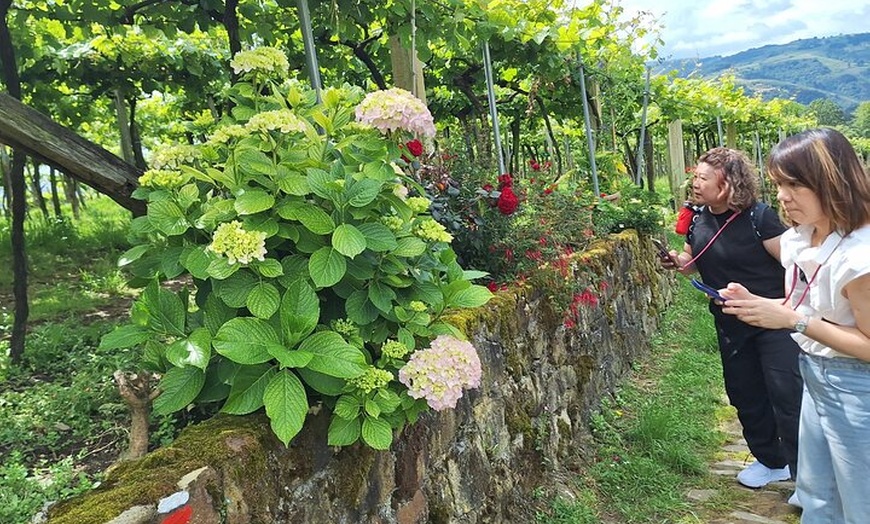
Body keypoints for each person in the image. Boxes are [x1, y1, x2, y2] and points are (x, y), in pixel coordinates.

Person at [720, 128, 870, 522]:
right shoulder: (807, 237)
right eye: (778, 185)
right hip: (817, 374)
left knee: (860, 502)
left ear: (831, 180)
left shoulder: (861, 255)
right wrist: (759, 304)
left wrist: (792, 320)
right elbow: (810, 305)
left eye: (794, 185)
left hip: (856, 387)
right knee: (816, 495)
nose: (783, 197)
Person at [660, 147, 802, 490]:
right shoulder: (696, 218)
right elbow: (696, 262)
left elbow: (797, 267)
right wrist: (680, 263)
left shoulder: (760, 218)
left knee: (787, 395)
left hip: (772, 320)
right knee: (744, 392)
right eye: (696, 176)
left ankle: (806, 477)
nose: (695, 183)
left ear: (728, 184)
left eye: (704, 178)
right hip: (730, 322)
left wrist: (787, 310)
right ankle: (771, 461)